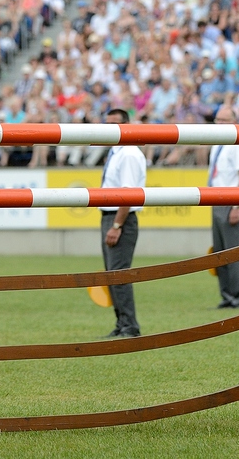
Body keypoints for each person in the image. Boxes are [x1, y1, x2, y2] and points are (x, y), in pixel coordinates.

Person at [99, 108, 147, 338]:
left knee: (119, 274)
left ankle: (130, 325)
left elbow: (128, 194)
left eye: (114, 123)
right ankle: (121, 323)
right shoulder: (116, 151)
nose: (109, 128)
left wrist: (117, 225)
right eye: (106, 123)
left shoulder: (127, 153)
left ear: (126, 125)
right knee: (112, 274)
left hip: (120, 218)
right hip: (112, 216)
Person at [208, 104, 239, 309]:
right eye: (217, 120)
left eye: (224, 120)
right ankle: (227, 295)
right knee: (220, 252)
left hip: (232, 201)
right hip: (217, 200)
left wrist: (237, 206)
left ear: (234, 121)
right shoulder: (218, 143)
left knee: (234, 253)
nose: (219, 124)